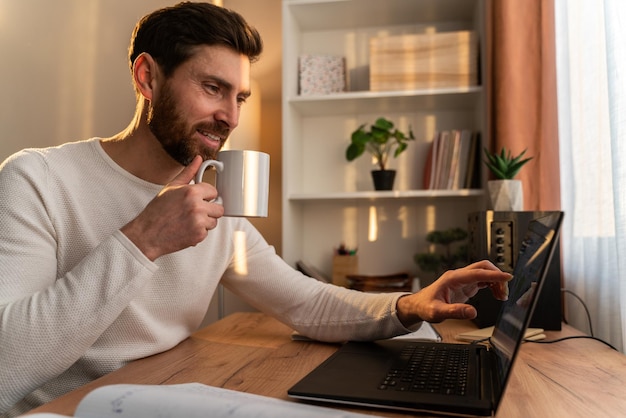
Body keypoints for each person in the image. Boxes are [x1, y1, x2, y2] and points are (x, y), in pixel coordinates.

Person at [0, 2, 511, 416]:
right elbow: (8, 364)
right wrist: (143, 239)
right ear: (147, 77)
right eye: (212, 88)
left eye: (240, 96)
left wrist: (407, 307)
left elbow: (305, 302)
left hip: (163, 396)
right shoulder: (37, 179)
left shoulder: (217, 195)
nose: (230, 116)